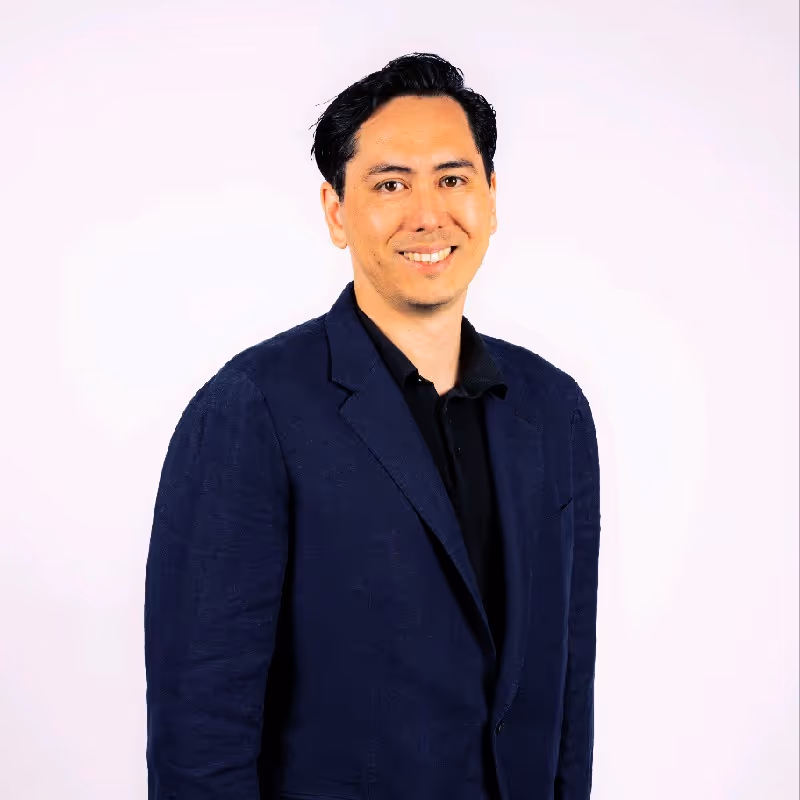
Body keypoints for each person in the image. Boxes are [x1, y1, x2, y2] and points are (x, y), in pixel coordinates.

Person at [144, 52, 601, 800]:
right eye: (391, 184)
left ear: (491, 197)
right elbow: (201, 737)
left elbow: (566, 698)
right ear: (335, 211)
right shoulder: (252, 409)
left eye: (453, 179)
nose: (429, 214)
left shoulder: (554, 411)